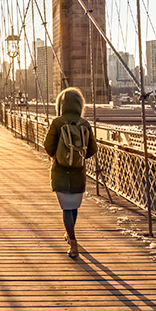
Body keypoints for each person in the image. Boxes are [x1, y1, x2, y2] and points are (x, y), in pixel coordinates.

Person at [43, 86, 96, 258]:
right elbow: (93, 149)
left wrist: (59, 157)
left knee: (66, 208)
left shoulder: (57, 122)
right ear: (80, 105)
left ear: (61, 104)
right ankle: (70, 233)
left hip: (60, 171)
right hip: (78, 172)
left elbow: (48, 147)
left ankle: (73, 243)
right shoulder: (85, 124)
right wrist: (78, 158)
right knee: (73, 206)